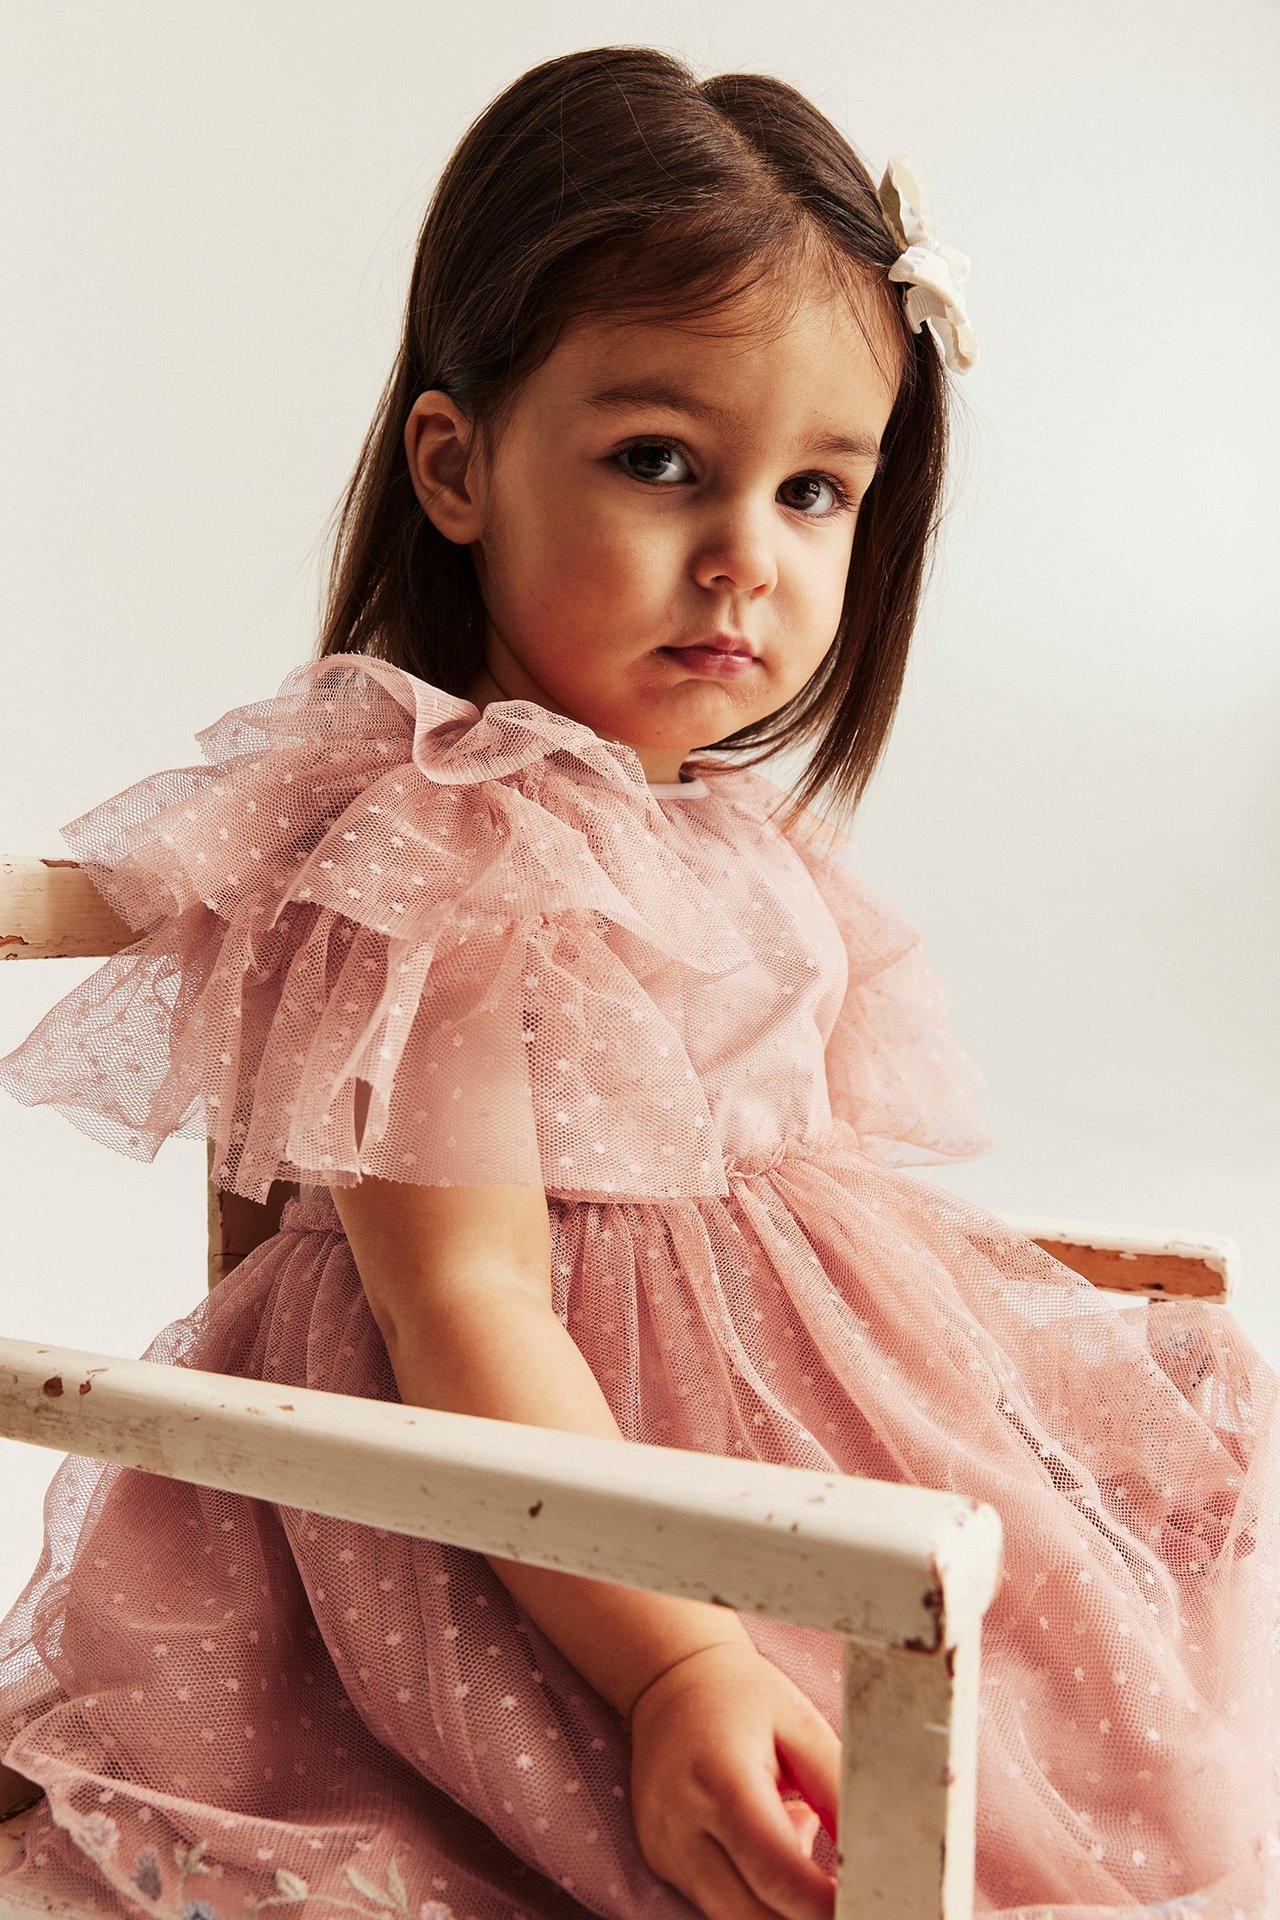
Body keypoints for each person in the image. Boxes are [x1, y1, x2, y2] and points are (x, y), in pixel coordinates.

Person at [0, 42, 1275, 1920]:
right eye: (660, 462)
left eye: (818, 492)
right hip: (550, 1490)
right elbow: (472, 1306)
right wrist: (679, 1659)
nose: (742, 560)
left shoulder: (718, 830)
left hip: (779, 1388)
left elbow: (802, 1194)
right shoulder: (450, 841)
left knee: (1165, 1473)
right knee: (804, 1751)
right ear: (459, 466)